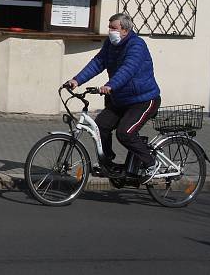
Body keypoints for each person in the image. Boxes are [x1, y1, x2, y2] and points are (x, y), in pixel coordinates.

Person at [66, 13, 161, 182]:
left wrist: (110, 86)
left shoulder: (136, 45)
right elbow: (98, 63)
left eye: (113, 28)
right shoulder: (110, 44)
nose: (110, 31)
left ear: (125, 30)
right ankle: (107, 163)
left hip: (143, 100)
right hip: (121, 100)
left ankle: (151, 163)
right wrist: (76, 80)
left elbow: (128, 69)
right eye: (109, 27)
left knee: (125, 133)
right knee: (101, 126)